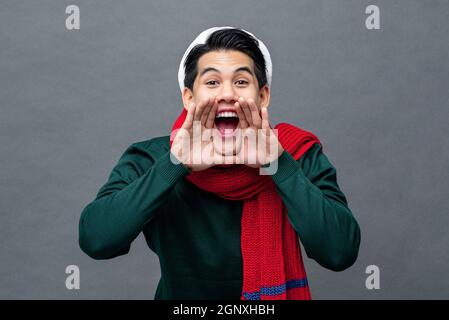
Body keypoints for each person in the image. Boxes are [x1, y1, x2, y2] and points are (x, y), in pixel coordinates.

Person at [78, 26, 361, 300]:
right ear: (189, 98)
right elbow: (97, 240)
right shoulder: (151, 158)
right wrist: (175, 165)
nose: (227, 94)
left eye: (241, 82)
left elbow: (339, 252)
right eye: (212, 82)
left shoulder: (296, 154)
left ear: (263, 96)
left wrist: (278, 165)